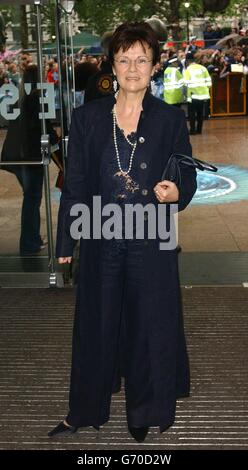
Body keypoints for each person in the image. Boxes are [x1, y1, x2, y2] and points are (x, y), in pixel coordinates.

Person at [49, 22, 197, 442]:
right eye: (124, 59)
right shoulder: (87, 118)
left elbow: (185, 173)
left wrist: (175, 191)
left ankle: (144, 411)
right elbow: (75, 183)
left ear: (153, 66)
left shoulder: (171, 119)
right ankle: (85, 411)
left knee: (150, 328)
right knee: (95, 327)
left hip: (152, 238)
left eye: (141, 60)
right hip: (99, 237)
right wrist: (66, 242)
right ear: (111, 65)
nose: (133, 68)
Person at [183, 52, 212, 135]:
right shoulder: (203, 68)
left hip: (192, 96)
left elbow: (185, 83)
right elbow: (209, 83)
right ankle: (199, 130)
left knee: (192, 114)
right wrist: (204, 89)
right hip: (203, 96)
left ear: (188, 61)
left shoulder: (188, 70)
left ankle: (192, 130)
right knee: (200, 114)